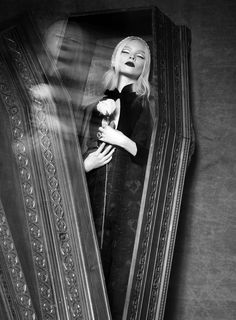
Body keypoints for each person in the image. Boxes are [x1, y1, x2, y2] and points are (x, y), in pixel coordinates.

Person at [82, 36, 153, 319]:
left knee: (112, 258)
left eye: (140, 55)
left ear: (145, 67)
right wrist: (85, 165)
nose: (132, 57)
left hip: (125, 195)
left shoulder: (144, 104)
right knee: (87, 248)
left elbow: (149, 154)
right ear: (115, 57)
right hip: (90, 189)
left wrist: (121, 139)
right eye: (126, 51)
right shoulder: (94, 104)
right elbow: (68, 152)